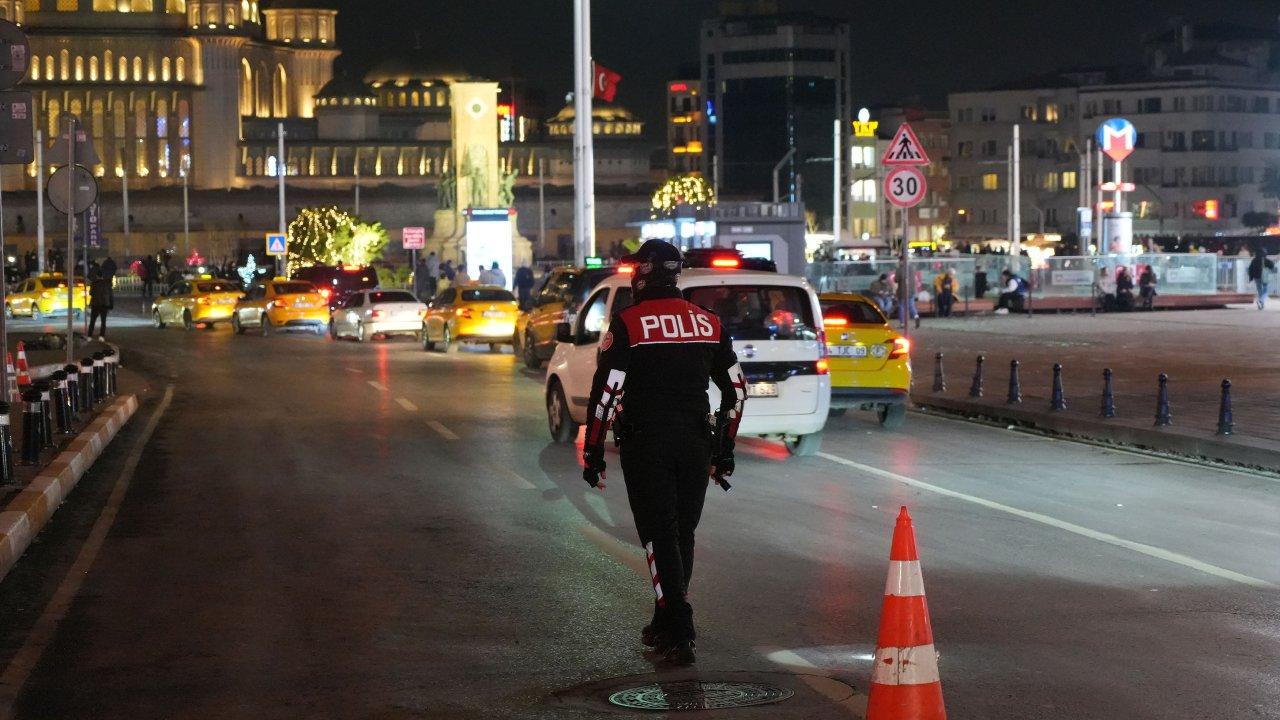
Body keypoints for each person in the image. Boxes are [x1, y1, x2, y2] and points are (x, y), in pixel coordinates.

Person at [581, 239, 745, 666]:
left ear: (642, 275)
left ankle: (680, 628)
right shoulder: (708, 322)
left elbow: (608, 392)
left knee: (658, 537)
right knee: (680, 535)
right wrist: (724, 448)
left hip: (647, 443)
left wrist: (593, 451)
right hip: (695, 443)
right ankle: (663, 621)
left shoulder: (629, 323)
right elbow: (737, 391)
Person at [88, 269, 113, 341]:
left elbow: (91, 293)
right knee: (103, 321)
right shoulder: (107, 284)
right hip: (104, 305)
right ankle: (101, 336)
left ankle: (89, 336)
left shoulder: (94, 283)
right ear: (102, 276)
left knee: (92, 321)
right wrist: (111, 305)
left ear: (97, 276)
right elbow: (111, 295)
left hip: (95, 304)